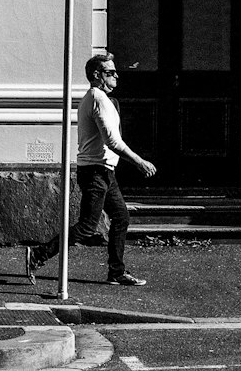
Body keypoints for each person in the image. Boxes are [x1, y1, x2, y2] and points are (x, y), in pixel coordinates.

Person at [26, 50, 156, 287]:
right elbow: (112, 141)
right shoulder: (97, 98)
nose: (116, 77)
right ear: (97, 75)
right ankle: (39, 254)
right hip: (96, 171)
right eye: (110, 72)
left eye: (116, 72)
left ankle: (116, 272)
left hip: (103, 171)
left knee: (121, 217)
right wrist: (140, 161)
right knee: (86, 227)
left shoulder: (98, 98)